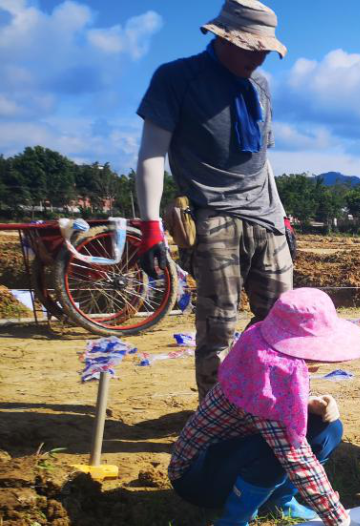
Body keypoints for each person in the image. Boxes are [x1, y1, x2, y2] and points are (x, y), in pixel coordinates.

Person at [134, 0, 293, 400]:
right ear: (224, 37)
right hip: (215, 219)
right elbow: (152, 153)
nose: (259, 58)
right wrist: (150, 225)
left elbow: (263, 160)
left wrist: (283, 219)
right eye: (250, 48)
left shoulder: (260, 86)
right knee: (218, 327)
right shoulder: (177, 78)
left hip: (266, 219)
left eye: (264, 51)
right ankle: (214, 417)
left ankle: (271, 408)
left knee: (281, 325)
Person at [168, 288, 360, 526]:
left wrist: (310, 403)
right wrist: (340, 521)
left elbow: (284, 402)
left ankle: (280, 499)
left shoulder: (270, 347)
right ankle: (231, 525)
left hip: (230, 452)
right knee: (278, 453)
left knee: (328, 428)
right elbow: (296, 457)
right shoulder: (269, 373)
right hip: (197, 475)